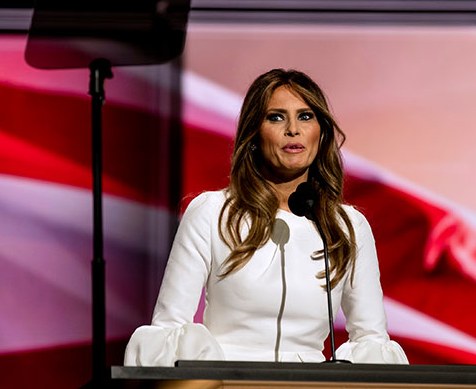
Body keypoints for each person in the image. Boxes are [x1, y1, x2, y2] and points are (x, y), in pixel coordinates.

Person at [124, 68, 408, 365]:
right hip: (222, 387)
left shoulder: (346, 226)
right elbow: (170, 327)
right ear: (254, 134)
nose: (293, 129)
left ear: (321, 133)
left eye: (305, 116)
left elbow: (371, 339)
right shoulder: (212, 212)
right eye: (276, 117)